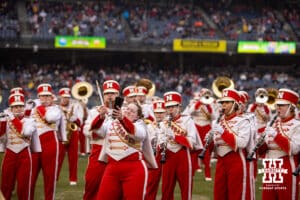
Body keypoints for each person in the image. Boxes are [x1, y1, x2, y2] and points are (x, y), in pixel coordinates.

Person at [96, 101, 157, 200]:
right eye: (127, 109)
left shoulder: (141, 125)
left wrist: (122, 119)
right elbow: (98, 131)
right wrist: (101, 116)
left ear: (137, 116)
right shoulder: (112, 122)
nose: (128, 111)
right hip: (112, 167)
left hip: (134, 168)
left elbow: (138, 135)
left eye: (132, 111)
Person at [258, 88, 300, 200]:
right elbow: (262, 151)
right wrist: (259, 143)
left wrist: (276, 135)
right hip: (270, 167)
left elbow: (294, 149)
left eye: (282, 105)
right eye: (277, 105)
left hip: (287, 166)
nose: (278, 108)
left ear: (291, 107)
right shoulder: (273, 124)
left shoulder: (297, 125)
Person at [160, 91, 202, 200]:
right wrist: (161, 142)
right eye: (168, 107)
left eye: (173, 106)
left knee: (186, 188)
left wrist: (175, 136)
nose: (170, 109)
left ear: (179, 106)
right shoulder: (162, 123)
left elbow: (192, 142)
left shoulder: (188, 121)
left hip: (183, 155)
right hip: (168, 156)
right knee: (166, 189)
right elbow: (159, 144)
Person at [83, 80, 120, 200]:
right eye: (107, 93)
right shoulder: (94, 111)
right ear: (103, 95)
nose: (110, 96)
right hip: (98, 152)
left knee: (117, 190)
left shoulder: (123, 112)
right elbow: (86, 130)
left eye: (113, 93)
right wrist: (100, 119)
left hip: (118, 153)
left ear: (118, 94)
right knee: (92, 186)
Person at [212, 88, 251, 200]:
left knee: (235, 194)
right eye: (222, 102)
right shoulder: (218, 121)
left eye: (227, 102)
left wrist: (223, 133)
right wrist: (210, 143)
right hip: (221, 160)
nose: (223, 105)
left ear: (235, 104)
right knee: (219, 194)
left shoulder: (243, 121)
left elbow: (242, 143)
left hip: (236, 159)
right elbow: (216, 144)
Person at [30, 83, 64, 200]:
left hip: (49, 143)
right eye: (42, 96)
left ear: (51, 97)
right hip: (34, 143)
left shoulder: (56, 109)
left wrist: (38, 107)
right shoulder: (31, 108)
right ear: (39, 97)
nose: (45, 98)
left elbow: (50, 118)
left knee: (49, 176)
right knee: (31, 176)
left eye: (47, 96)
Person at [0, 94, 36, 200]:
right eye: (15, 107)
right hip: (9, 153)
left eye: (21, 106)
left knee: (23, 186)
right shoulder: (6, 121)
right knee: (6, 185)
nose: (18, 109)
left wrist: (12, 119)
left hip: (24, 154)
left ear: (24, 107)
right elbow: (1, 139)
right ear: (11, 108)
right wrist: (2, 123)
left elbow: (26, 132)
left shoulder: (30, 120)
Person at [187, 88, 217, 180]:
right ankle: (191, 172)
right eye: (204, 94)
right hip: (196, 126)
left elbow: (214, 117)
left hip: (206, 127)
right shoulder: (195, 103)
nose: (205, 97)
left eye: (207, 95)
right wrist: (199, 103)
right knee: (194, 150)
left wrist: (208, 107)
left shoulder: (211, 105)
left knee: (206, 151)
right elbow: (190, 112)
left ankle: (207, 175)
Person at [56, 87, 84, 185]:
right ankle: (55, 178)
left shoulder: (75, 107)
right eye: (64, 97)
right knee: (58, 158)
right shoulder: (56, 108)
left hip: (73, 133)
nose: (66, 99)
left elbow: (80, 122)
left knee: (73, 158)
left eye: (67, 97)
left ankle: (73, 179)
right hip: (60, 134)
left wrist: (73, 118)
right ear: (60, 97)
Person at [145, 99, 166, 200]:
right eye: (157, 113)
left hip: (168, 156)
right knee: (151, 183)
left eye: (161, 112)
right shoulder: (149, 126)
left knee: (167, 185)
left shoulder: (170, 125)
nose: (159, 115)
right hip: (154, 157)